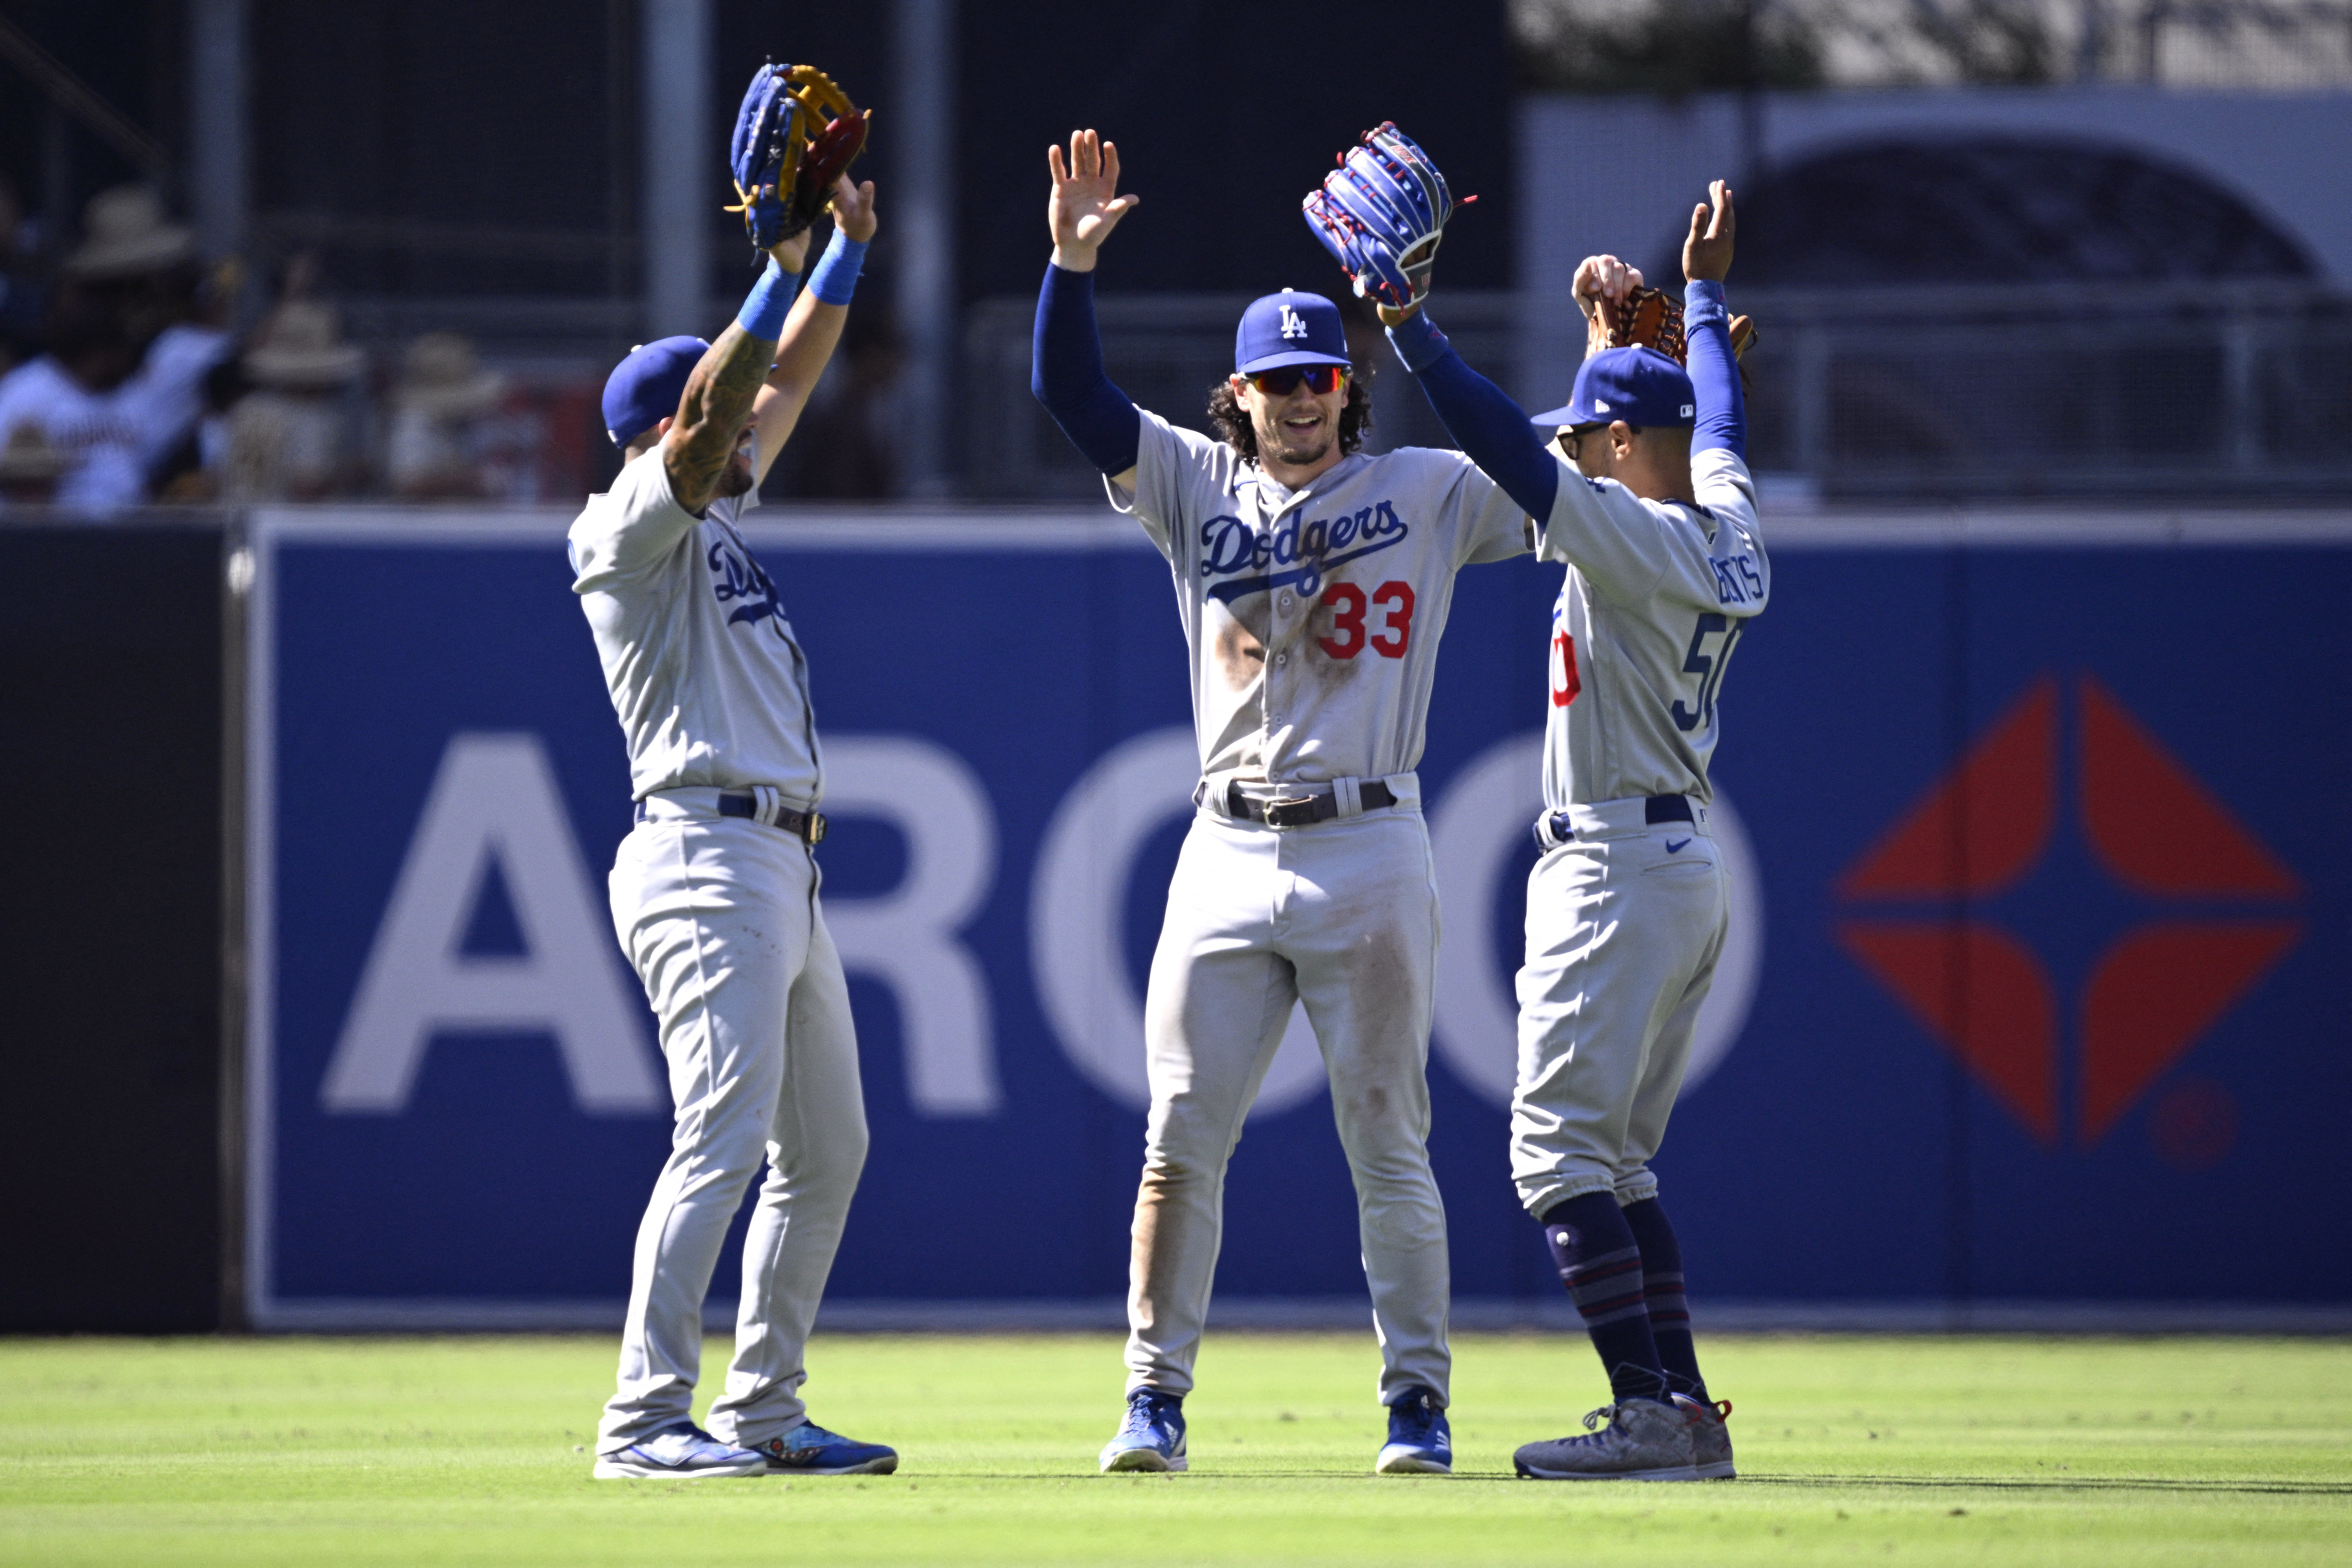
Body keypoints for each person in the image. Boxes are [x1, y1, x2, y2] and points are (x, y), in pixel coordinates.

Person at [1030, 129, 1533, 1477]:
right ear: (1236, 396)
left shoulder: (1422, 489)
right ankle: (1153, 1397)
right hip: (1225, 842)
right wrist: (1070, 264)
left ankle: (1417, 1404)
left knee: (1390, 1141)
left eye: (1321, 377)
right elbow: (1069, 392)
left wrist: (1425, 337)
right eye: (1276, 382)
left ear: (1347, 383)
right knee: (1180, 1139)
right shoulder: (1197, 487)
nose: (1302, 400)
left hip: (1372, 840)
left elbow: (1545, 470)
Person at [1378, 181, 1765, 1481]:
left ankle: (1649, 1414)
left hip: (1613, 867)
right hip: (1681, 862)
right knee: (1622, 1164)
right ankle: (1688, 1410)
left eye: (1595, 425)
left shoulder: (1625, 528)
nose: (1582, 436)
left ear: (1612, 450)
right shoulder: (1728, 528)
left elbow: (1506, 442)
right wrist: (1694, 303)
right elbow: (1711, 417)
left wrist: (1413, 332)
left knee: (1554, 1156)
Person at [570, 160, 897, 1481]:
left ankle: (764, 1408)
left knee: (828, 1148)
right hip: (704, 853)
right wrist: (770, 268)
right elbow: (720, 415)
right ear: (669, 426)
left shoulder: (713, 507)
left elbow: (778, 384)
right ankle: (643, 1421)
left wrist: (843, 257)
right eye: (718, 396)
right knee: (720, 1135)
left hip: (775, 861)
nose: (758, 410)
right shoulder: (631, 527)